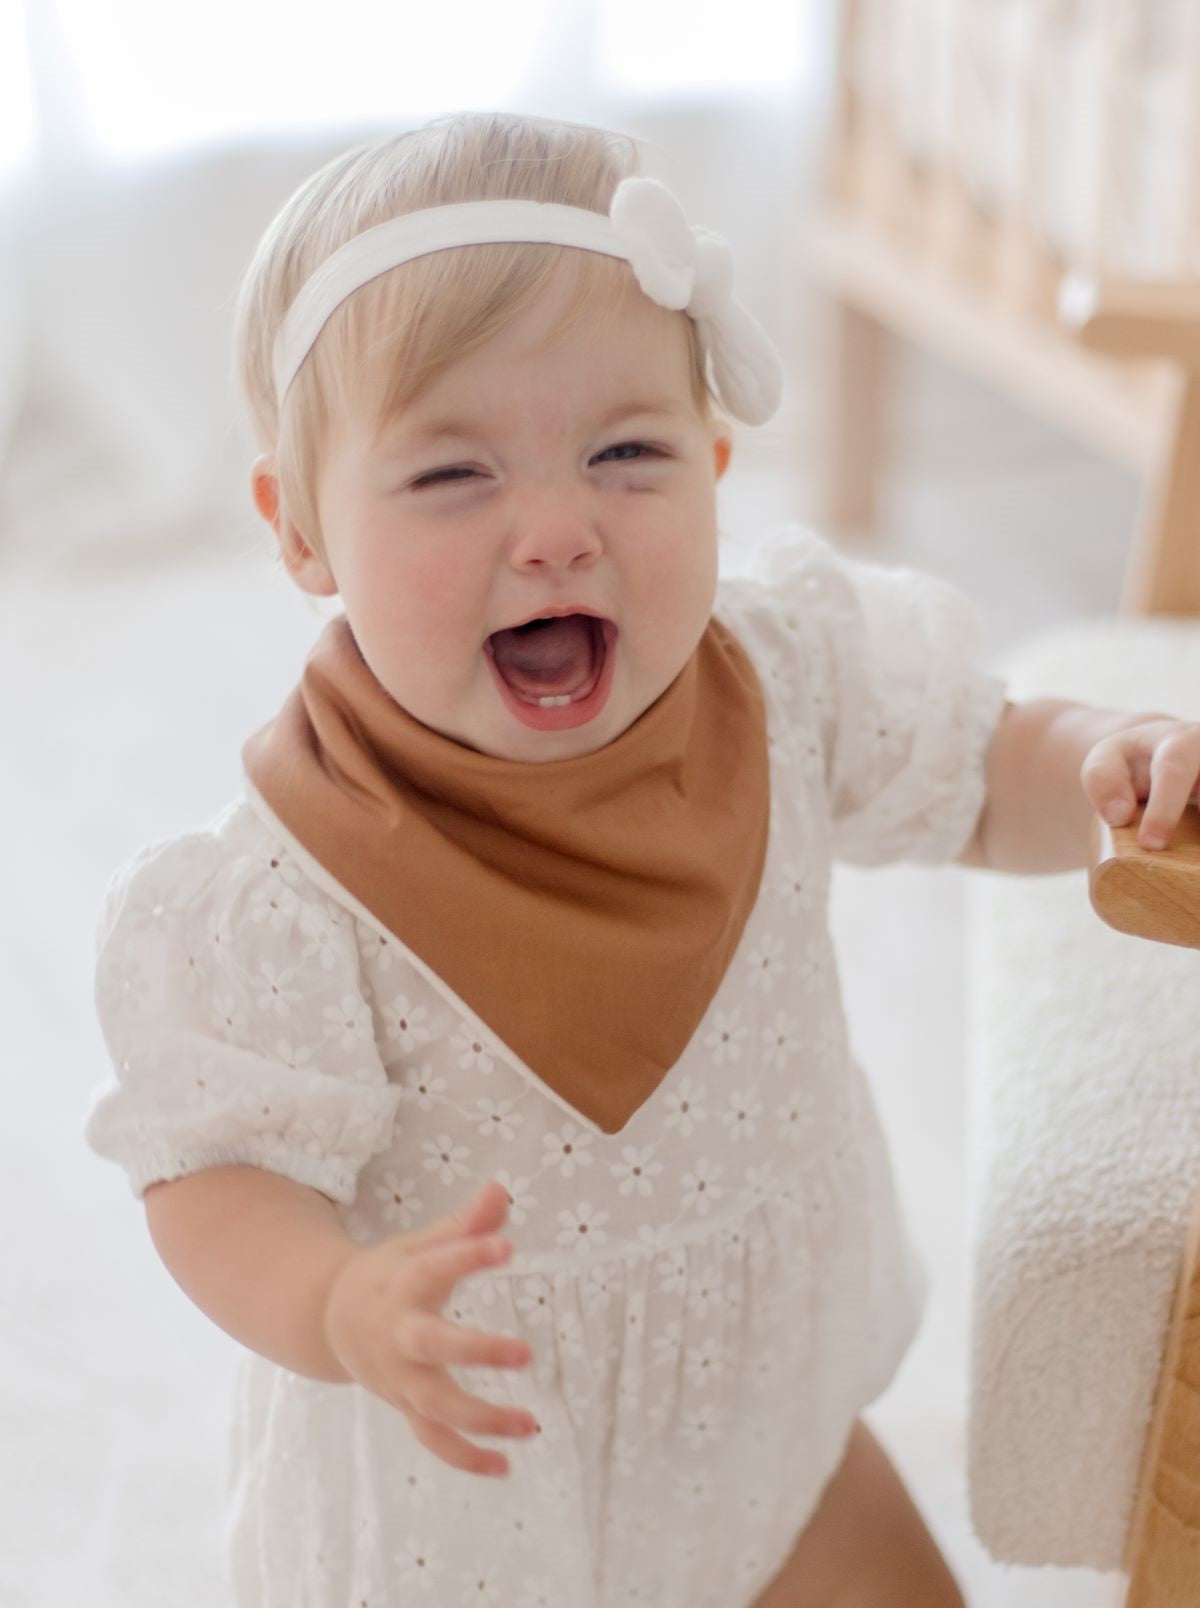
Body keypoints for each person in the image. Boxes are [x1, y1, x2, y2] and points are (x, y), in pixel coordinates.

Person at [85, 110, 1200, 1608]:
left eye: (626, 453)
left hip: (761, 1424)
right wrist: (338, 1303)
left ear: (719, 462)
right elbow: (215, 1180)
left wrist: (1099, 759)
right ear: (301, 530)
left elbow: (978, 769)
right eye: (452, 476)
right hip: (463, 1493)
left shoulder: (788, 674)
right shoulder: (285, 898)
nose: (557, 528)